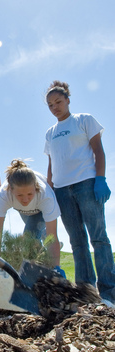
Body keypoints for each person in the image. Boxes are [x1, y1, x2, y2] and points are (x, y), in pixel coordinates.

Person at [44, 80, 115, 306]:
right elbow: (51, 164)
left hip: (86, 184)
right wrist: (50, 190)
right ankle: (86, 292)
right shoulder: (50, 133)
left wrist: (101, 179)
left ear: (67, 100)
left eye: (58, 102)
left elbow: (98, 151)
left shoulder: (84, 120)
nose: (55, 107)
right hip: (62, 191)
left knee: (99, 237)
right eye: (50, 105)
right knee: (77, 241)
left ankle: (109, 292)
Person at [0, 159, 63, 271]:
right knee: (34, 238)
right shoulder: (3, 196)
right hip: (22, 211)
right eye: (19, 195)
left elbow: (52, 236)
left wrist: (57, 267)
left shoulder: (46, 196)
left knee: (29, 236)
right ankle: (43, 256)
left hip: (39, 210)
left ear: (36, 187)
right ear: (11, 189)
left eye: (30, 194)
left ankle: (39, 268)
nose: (25, 199)